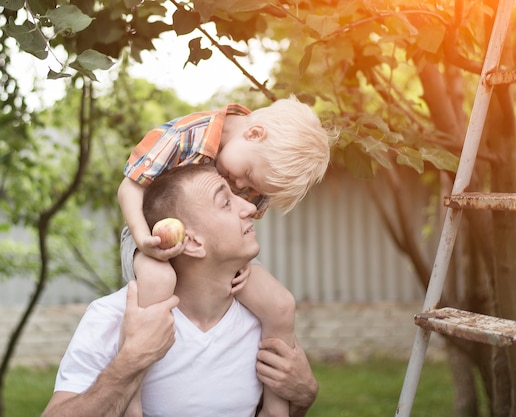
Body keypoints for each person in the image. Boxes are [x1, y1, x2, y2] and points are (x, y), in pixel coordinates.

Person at [117, 96, 335, 417]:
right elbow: (130, 188)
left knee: (280, 303)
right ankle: (130, 401)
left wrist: (241, 263)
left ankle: (275, 409)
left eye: (251, 184)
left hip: (212, 252)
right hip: (150, 232)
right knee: (156, 279)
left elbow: (235, 230)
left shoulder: (253, 167)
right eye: (246, 173)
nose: (241, 185)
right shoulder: (187, 135)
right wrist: (143, 239)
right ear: (254, 133)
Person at [42, 164, 318, 417]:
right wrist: (131, 360)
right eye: (225, 202)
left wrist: (303, 400)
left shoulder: (263, 319)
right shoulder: (111, 317)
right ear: (192, 242)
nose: (248, 207)